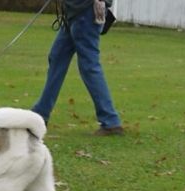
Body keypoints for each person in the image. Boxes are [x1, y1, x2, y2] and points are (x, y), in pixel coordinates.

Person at [32, 0, 124, 136]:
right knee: (57, 57)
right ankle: (40, 114)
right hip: (75, 12)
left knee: (89, 66)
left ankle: (111, 121)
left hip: (85, 12)